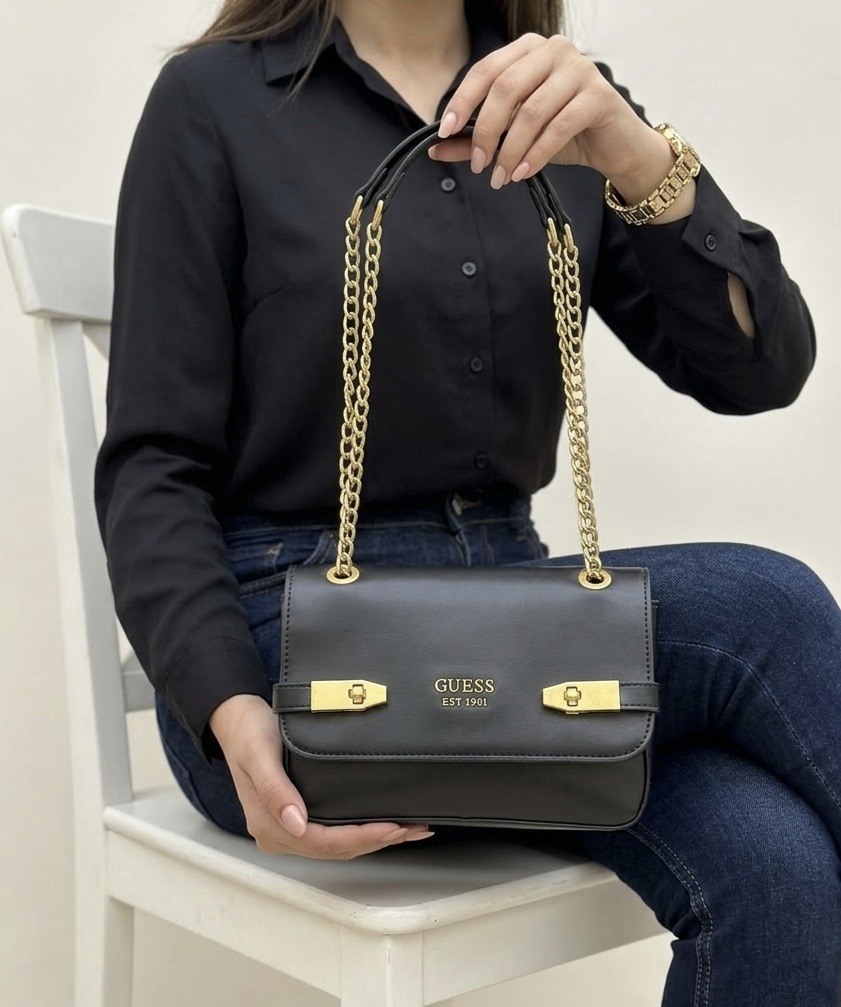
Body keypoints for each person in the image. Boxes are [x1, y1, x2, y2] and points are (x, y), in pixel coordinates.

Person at [93, 0, 841, 1001]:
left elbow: (758, 372)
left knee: (776, 865)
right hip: (286, 642)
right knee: (768, 606)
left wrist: (633, 155)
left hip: (515, 625)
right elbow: (154, 462)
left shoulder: (558, 104)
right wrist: (225, 704)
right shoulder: (213, 98)